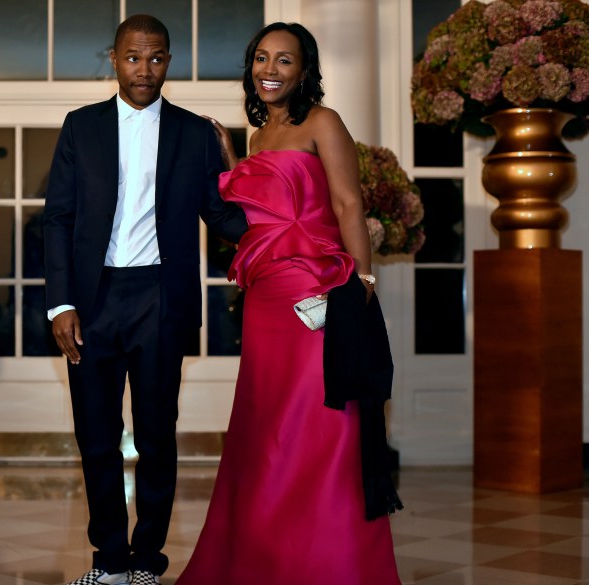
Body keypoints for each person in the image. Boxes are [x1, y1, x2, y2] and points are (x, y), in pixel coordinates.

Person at [175, 22, 402, 584]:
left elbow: (349, 204)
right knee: (264, 425)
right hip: (267, 299)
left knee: (320, 425)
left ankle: (329, 559)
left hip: (317, 291)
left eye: (284, 60)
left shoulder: (322, 121)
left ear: (304, 70)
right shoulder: (258, 136)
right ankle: (264, 558)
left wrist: (363, 280)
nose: (269, 70)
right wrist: (232, 163)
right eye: (261, 58)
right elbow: (260, 213)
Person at [43, 14, 247, 585]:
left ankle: (147, 562)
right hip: (92, 300)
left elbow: (224, 217)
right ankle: (108, 559)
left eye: (156, 58)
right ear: (114, 59)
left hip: (161, 296)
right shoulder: (79, 127)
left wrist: (240, 172)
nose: (144, 69)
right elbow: (57, 219)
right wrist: (61, 305)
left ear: (169, 62)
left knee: (157, 434)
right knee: (97, 434)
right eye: (134, 57)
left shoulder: (194, 133)